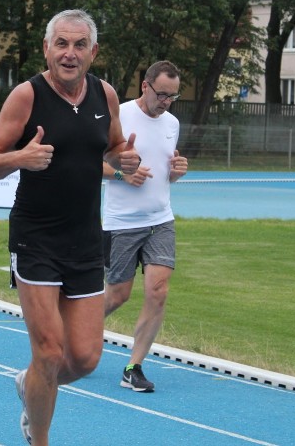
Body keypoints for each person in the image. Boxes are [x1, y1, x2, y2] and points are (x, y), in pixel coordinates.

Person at [0, 9, 141, 445]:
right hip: (36, 238)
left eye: (79, 45)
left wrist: (124, 158)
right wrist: (20, 159)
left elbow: (115, 146)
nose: (70, 54)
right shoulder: (27, 96)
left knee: (84, 359)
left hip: (85, 238)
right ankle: (39, 437)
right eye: (61, 44)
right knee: (48, 352)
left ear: (93, 51)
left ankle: (30, 385)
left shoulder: (104, 94)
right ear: (46, 48)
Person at [101, 60, 189, 393]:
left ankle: (133, 366)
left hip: (160, 220)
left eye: (172, 96)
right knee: (117, 296)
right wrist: (123, 174)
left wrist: (176, 172)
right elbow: (91, 163)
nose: (166, 101)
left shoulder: (172, 124)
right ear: (145, 86)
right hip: (122, 222)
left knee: (158, 290)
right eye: (161, 94)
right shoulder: (118, 116)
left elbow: (165, 175)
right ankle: (79, 335)